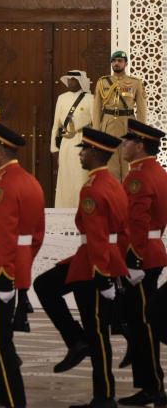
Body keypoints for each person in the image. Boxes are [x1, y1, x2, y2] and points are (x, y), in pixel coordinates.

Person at [0, 122, 44, 408]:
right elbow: (36, 235)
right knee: (0, 338)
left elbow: (4, 234)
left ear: (1, 151)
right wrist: (22, 263)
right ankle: (7, 394)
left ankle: (14, 398)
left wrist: (3, 276)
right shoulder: (30, 181)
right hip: (19, 262)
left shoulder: (2, 184)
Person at [63, 127, 128, 408]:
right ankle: (102, 392)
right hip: (102, 259)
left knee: (97, 333)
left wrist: (102, 276)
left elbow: (98, 235)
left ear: (97, 153)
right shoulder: (112, 183)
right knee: (97, 332)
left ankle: (104, 396)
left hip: (95, 264)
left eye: (85, 149)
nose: (81, 154)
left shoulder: (94, 187)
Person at [118, 119, 167, 406]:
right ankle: (150, 384)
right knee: (138, 320)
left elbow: (137, 222)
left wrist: (133, 261)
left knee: (142, 322)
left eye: (127, 141)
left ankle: (153, 386)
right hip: (152, 250)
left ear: (139, 145)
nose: (123, 146)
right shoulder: (157, 172)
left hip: (141, 255)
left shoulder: (139, 177)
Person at [92, 51, 147, 181]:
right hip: (108, 124)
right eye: (114, 61)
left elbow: (141, 109)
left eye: (120, 61)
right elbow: (96, 109)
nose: (116, 63)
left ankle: (128, 198)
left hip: (128, 125)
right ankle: (114, 197)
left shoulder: (136, 83)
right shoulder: (102, 82)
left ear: (126, 63)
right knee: (110, 165)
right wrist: (96, 131)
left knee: (128, 164)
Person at [51, 70, 94, 208]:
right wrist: (54, 148)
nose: (70, 82)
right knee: (65, 178)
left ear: (80, 81)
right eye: (68, 79)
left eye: (73, 79)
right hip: (65, 143)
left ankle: (82, 209)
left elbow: (95, 125)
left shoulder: (90, 98)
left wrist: (93, 147)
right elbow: (56, 125)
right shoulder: (62, 98)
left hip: (83, 142)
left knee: (81, 177)